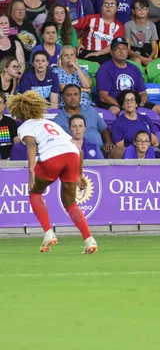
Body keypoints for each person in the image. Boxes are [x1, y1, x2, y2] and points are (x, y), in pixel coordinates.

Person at [6, 91, 98, 254]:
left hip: (52, 157)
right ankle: (89, 240)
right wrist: (80, 174)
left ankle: (49, 232)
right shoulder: (52, 124)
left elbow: (31, 145)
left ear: (19, 111)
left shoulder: (25, 126)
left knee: (35, 192)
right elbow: (78, 149)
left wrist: (32, 170)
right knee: (70, 203)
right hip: (72, 156)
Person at [96, 37, 160, 116]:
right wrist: (122, 105)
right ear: (111, 52)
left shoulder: (134, 68)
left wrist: (140, 104)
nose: (121, 51)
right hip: (115, 103)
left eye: (124, 48)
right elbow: (103, 96)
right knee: (115, 110)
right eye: (117, 49)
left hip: (134, 103)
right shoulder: (105, 69)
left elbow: (143, 93)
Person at [54, 84, 114, 154]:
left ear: (80, 97)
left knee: (118, 152)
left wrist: (108, 142)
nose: (73, 97)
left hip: (100, 150)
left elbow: (104, 128)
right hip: (74, 154)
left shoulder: (91, 110)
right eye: (69, 95)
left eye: (75, 94)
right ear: (63, 98)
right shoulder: (58, 120)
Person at [74, 0, 126, 64]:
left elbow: (115, 44)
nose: (108, 7)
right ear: (101, 7)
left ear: (116, 9)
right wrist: (76, 43)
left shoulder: (119, 26)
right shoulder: (90, 18)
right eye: (105, 4)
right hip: (88, 53)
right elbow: (69, 27)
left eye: (112, 5)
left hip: (107, 55)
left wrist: (98, 53)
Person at [110, 89, 158, 159]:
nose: (129, 103)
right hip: (129, 157)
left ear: (136, 104)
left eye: (132, 100)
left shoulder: (145, 119)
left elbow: (155, 141)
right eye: (126, 101)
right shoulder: (118, 123)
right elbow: (120, 149)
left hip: (147, 154)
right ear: (122, 105)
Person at [125, 0, 159, 66]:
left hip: (147, 53)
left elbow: (154, 48)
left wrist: (149, 58)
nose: (141, 10)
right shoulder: (128, 25)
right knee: (137, 60)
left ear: (147, 10)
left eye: (144, 8)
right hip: (134, 53)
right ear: (133, 11)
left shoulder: (152, 25)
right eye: (138, 8)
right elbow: (127, 49)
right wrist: (142, 58)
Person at [0, 93, 19, 159]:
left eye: (0, 102)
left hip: (7, 158)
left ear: (5, 105)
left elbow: (15, 138)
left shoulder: (10, 122)